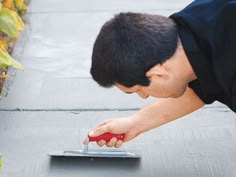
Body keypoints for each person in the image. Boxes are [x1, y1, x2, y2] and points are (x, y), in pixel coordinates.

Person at [86, 0, 236, 148]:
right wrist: (134, 123)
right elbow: (203, 85)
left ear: (157, 74)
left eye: (138, 90)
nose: (143, 96)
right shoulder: (195, 25)